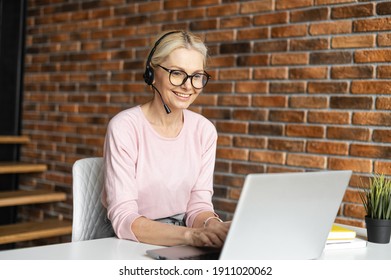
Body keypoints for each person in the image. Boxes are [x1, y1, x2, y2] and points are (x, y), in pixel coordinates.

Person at [101, 30, 230, 248]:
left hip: (183, 238)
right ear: (151, 74)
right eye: (177, 73)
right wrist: (191, 236)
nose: (188, 86)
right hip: (131, 242)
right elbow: (124, 218)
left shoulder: (204, 131)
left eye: (197, 76)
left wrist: (212, 224)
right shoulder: (124, 127)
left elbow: (198, 206)